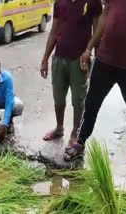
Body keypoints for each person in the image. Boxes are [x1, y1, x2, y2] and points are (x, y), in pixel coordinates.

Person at [66, 0, 126, 178]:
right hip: (105, 60)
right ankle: (79, 142)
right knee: (91, 103)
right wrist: (88, 49)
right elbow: (104, 17)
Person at [40, 0, 102, 146]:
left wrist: (95, 60)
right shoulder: (60, 2)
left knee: (79, 100)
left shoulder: (93, 2)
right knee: (58, 97)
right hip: (59, 58)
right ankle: (59, 128)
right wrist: (45, 59)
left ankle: (75, 132)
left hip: (80, 60)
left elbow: (97, 32)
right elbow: (54, 32)